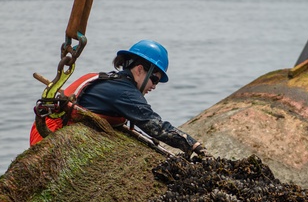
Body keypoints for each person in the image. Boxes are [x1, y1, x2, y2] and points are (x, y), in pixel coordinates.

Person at [30, 39, 206, 159]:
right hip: (52, 138)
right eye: (155, 79)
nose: (155, 86)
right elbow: (156, 127)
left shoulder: (109, 80)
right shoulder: (124, 92)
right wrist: (193, 145)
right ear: (139, 70)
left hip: (48, 131)